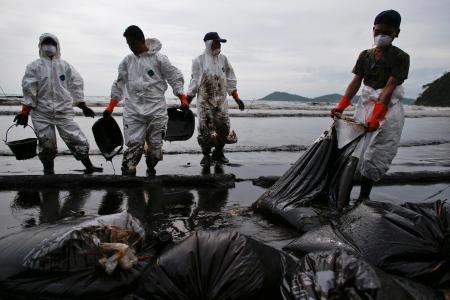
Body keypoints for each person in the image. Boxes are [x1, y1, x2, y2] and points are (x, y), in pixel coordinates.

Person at [331, 10, 410, 201]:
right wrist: (341, 106)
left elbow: (389, 88)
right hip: (364, 106)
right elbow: (356, 82)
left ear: (396, 33)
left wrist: (377, 117)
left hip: (388, 109)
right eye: (378, 31)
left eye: (387, 32)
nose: (381, 35)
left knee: (376, 154)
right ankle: (344, 197)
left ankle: (363, 198)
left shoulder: (401, 56)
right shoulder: (365, 55)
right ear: (373, 29)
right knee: (355, 152)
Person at [104, 25, 186, 176]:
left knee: (155, 148)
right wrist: (110, 107)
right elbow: (119, 84)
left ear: (142, 41)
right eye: (128, 44)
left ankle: (151, 166)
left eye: (133, 44)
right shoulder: (127, 62)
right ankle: (128, 171)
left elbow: (174, 77)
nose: (131, 47)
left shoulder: (159, 59)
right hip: (133, 111)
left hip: (156, 111)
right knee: (134, 144)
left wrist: (182, 97)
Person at [17, 33, 102, 175]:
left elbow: (76, 85)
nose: (49, 46)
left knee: (77, 139)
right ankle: (48, 171)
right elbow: (29, 89)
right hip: (41, 113)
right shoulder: (34, 66)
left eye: (51, 43)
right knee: (46, 144)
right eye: (46, 43)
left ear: (57, 46)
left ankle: (89, 166)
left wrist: (83, 106)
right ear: (40, 46)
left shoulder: (65, 66)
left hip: (64, 111)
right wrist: (25, 112)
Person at [187, 32, 245, 166]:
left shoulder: (223, 59)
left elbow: (230, 79)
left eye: (220, 42)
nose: (219, 44)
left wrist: (236, 98)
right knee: (205, 129)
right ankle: (206, 155)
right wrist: (186, 103)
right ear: (208, 43)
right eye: (217, 42)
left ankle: (219, 153)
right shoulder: (199, 60)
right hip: (205, 102)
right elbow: (194, 82)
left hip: (221, 101)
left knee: (224, 128)